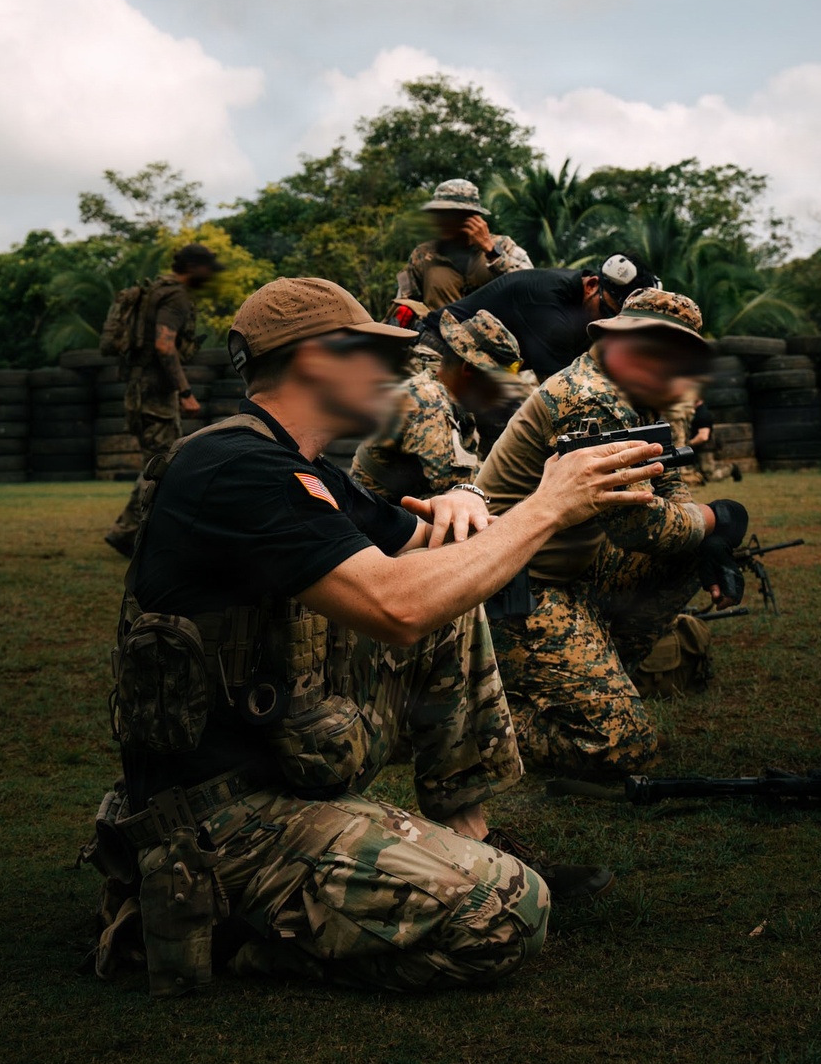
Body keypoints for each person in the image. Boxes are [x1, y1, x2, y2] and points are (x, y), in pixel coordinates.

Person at [86, 277, 664, 997]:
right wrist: (547, 503)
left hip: (280, 774)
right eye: (373, 354)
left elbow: (434, 554)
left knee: (453, 590)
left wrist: (465, 503)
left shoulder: (301, 468)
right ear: (315, 360)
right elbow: (396, 607)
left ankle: (468, 833)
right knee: (508, 911)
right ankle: (210, 921)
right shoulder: (236, 469)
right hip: (220, 818)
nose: (394, 373)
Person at [475, 288, 748, 778]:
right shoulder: (592, 399)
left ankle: (595, 670)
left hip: (567, 572)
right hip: (516, 587)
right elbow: (636, 524)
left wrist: (705, 532)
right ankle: (474, 723)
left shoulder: (629, 390)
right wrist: (713, 520)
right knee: (620, 747)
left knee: (692, 544)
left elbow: (666, 479)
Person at [104, 242, 222, 557]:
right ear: (194, 267)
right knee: (162, 465)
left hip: (141, 388)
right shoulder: (176, 298)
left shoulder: (156, 290)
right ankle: (129, 532)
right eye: (207, 269)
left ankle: (131, 531)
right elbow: (164, 346)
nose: (209, 276)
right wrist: (185, 392)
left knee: (158, 462)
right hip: (154, 394)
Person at [351, 309, 522, 503]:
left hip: (394, 508)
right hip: (376, 517)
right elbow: (457, 488)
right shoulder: (430, 405)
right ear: (469, 370)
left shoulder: (444, 394)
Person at [425, 267, 606, 383]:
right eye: (606, 311)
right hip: (440, 353)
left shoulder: (577, 305)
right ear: (591, 285)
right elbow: (558, 389)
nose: (607, 321)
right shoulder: (550, 301)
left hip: (478, 374)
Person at [398, 178, 532, 309]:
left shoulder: (504, 246)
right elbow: (404, 304)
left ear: (472, 217)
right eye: (439, 214)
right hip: (438, 330)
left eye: (449, 214)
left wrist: (491, 251)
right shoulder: (422, 255)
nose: (441, 221)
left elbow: (532, 290)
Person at [663, 388, 740, 487]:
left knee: (710, 476)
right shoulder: (692, 412)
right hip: (697, 447)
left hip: (705, 448)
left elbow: (703, 436)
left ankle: (731, 468)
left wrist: (687, 445)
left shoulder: (703, 414)